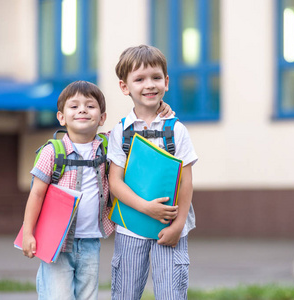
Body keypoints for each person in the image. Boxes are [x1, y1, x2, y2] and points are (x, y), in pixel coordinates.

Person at [21, 80, 173, 300]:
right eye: (74, 106)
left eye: (90, 106)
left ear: (102, 118)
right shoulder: (52, 152)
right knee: (57, 296)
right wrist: (28, 233)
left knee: (87, 296)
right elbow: (36, 194)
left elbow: (133, 127)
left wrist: (160, 107)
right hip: (56, 243)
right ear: (61, 117)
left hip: (91, 242)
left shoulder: (107, 144)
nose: (82, 109)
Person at [108, 45, 198, 300]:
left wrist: (178, 226)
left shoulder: (176, 129)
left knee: (171, 292)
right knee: (125, 293)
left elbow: (186, 181)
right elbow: (115, 181)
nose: (149, 84)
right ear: (125, 87)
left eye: (156, 77)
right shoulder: (121, 132)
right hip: (130, 227)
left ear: (166, 82)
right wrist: (146, 208)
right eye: (139, 79)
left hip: (169, 228)